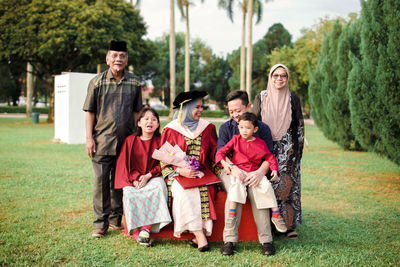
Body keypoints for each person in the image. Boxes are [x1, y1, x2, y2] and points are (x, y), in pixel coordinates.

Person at [83, 40, 143, 238]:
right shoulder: (97, 82)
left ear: (126, 59)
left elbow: (137, 112)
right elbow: (90, 112)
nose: (118, 59)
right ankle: (100, 224)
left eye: (122, 56)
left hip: (126, 142)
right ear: (107, 58)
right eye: (114, 56)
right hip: (102, 141)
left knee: (120, 182)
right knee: (101, 183)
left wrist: (136, 137)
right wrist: (89, 138)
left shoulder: (134, 82)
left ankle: (116, 219)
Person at [160, 90, 221, 252]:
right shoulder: (171, 129)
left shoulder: (207, 128)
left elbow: (214, 155)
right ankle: (200, 236)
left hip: (203, 173)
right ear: (186, 109)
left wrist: (223, 169)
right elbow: (164, 158)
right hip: (178, 174)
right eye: (197, 107)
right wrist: (180, 170)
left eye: (202, 107)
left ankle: (198, 235)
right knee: (182, 192)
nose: (201, 110)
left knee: (204, 189)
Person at [217, 90, 276, 256]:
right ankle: (229, 240)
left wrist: (259, 173)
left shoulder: (262, 129)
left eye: (239, 110)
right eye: (231, 111)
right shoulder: (226, 128)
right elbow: (221, 155)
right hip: (230, 170)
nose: (235, 115)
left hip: (255, 170)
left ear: (249, 107)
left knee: (259, 191)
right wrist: (233, 168)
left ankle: (266, 241)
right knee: (235, 191)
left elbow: (269, 156)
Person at [216, 112, 287, 243]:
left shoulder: (260, 143)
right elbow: (221, 152)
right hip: (239, 171)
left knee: (266, 186)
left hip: (255, 172)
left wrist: (275, 170)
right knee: (236, 185)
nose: (244, 130)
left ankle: (276, 215)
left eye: (248, 128)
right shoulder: (235, 140)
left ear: (255, 129)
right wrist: (227, 164)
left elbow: (269, 157)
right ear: (238, 127)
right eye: (241, 127)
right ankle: (231, 216)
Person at [253, 63, 304, 239]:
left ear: (287, 78)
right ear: (270, 77)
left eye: (283, 76)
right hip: (265, 146)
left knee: (287, 186)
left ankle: (288, 226)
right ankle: (268, 225)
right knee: (266, 185)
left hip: (288, 148)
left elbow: (299, 126)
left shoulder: (293, 98)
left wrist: (297, 153)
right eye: (276, 75)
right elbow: (254, 122)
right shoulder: (261, 97)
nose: (279, 79)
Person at [114, 107, 171, 246]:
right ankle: (136, 233)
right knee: (128, 193)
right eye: (146, 119)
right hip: (134, 178)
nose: (149, 122)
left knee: (158, 187)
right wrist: (134, 179)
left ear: (158, 124)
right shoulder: (130, 140)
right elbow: (124, 164)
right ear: (139, 123)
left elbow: (164, 163)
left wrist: (148, 175)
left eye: (153, 119)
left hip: (153, 176)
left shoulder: (160, 141)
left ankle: (146, 229)